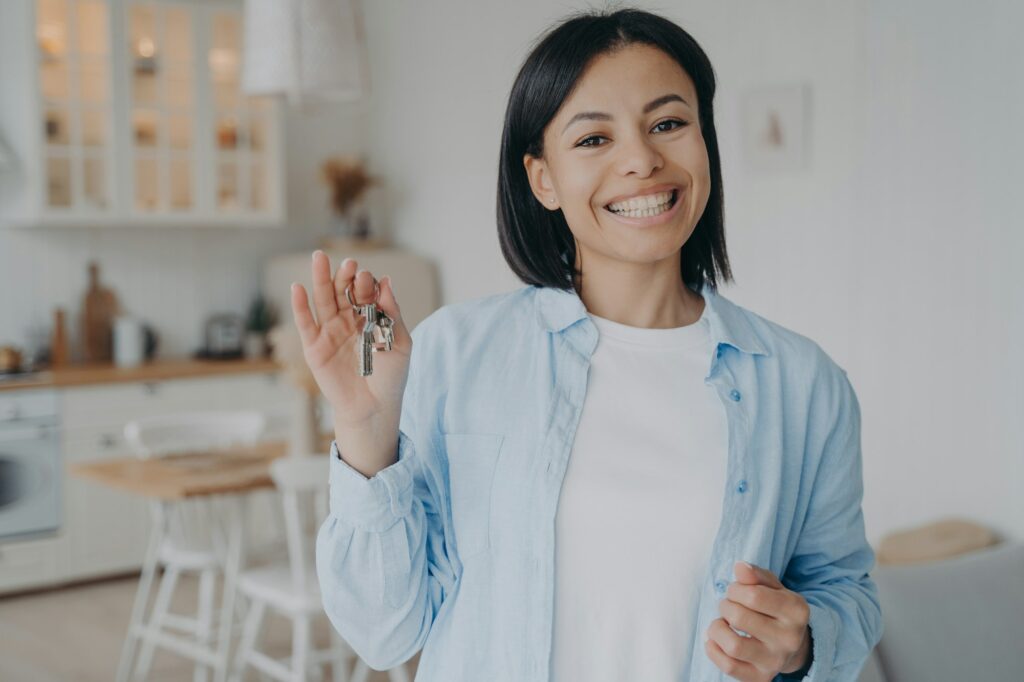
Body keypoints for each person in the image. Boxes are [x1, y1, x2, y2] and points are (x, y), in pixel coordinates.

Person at [290, 7, 882, 682]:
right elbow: (382, 632)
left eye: (668, 123)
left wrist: (802, 645)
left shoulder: (805, 384)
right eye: (594, 139)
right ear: (543, 178)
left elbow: (848, 595)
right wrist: (367, 431)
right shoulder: (455, 352)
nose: (641, 160)